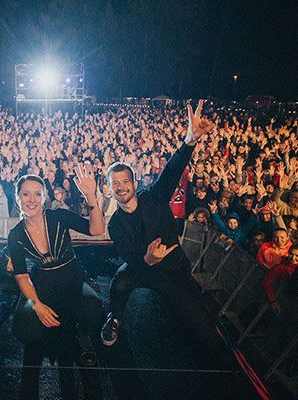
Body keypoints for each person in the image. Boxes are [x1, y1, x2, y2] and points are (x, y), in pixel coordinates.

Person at [99, 99, 223, 359]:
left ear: (134, 183)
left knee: (206, 336)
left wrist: (190, 141)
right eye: (115, 183)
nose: (121, 187)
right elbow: (130, 257)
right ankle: (114, 319)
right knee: (120, 282)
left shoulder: (154, 197)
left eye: (125, 181)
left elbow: (171, 171)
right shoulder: (115, 224)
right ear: (109, 189)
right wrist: (147, 259)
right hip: (141, 270)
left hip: (173, 271)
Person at [7, 168, 105, 398]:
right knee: (28, 331)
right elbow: (21, 275)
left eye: (37, 194)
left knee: (91, 311)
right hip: (43, 284)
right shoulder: (16, 235)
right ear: (18, 197)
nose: (32, 200)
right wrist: (37, 305)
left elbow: (96, 230)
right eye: (26, 194)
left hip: (73, 279)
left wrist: (91, 197)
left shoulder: (58, 216)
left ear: (44, 197)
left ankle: (82, 383)